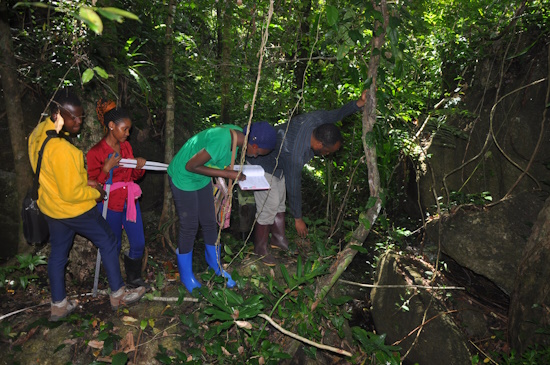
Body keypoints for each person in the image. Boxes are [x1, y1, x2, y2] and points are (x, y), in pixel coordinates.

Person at [28, 90, 145, 321]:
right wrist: (96, 190)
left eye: (81, 117)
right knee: (109, 240)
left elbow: (54, 175)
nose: (79, 122)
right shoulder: (66, 151)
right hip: (74, 209)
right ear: (58, 114)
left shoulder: (38, 133)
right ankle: (118, 294)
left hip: (51, 206)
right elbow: (73, 193)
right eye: (74, 118)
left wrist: (85, 180)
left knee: (58, 255)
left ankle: (58, 306)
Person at [246, 90, 367, 265]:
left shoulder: (316, 120)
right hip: (260, 162)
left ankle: (278, 239)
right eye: (326, 151)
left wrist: (358, 104)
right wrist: (298, 218)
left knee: (279, 200)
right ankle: (260, 249)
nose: (326, 155)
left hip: (277, 165)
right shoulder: (295, 153)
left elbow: (336, 114)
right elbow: (294, 186)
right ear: (319, 144)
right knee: (269, 205)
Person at [167, 122, 277, 293]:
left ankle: (215, 267)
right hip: (184, 176)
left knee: (210, 222)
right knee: (190, 226)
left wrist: (233, 173)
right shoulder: (222, 140)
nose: (255, 156)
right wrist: (227, 174)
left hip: (201, 177)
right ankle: (186, 275)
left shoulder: (238, 136)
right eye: (257, 153)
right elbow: (191, 165)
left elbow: (218, 161)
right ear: (254, 145)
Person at [86, 99, 148, 288]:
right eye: (125, 129)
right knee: (114, 244)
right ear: (111, 126)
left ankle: (134, 278)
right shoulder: (96, 152)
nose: (128, 134)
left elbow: (133, 176)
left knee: (138, 242)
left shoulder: (126, 147)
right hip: (108, 203)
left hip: (129, 200)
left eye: (129, 130)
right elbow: (91, 184)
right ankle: (116, 283)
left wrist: (139, 165)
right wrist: (106, 169)